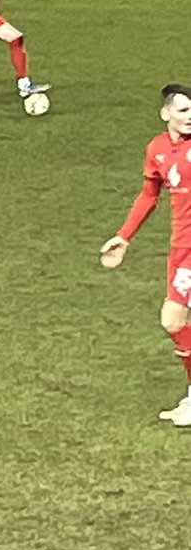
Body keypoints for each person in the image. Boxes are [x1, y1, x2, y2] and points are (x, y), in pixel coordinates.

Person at [100, 83, 191, 427]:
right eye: (182, 110)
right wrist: (124, 237)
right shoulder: (157, 149)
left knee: (172, 320)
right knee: (175, 322)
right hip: (181, 249)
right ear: (165, 113)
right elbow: (149, 195)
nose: (190, 116)